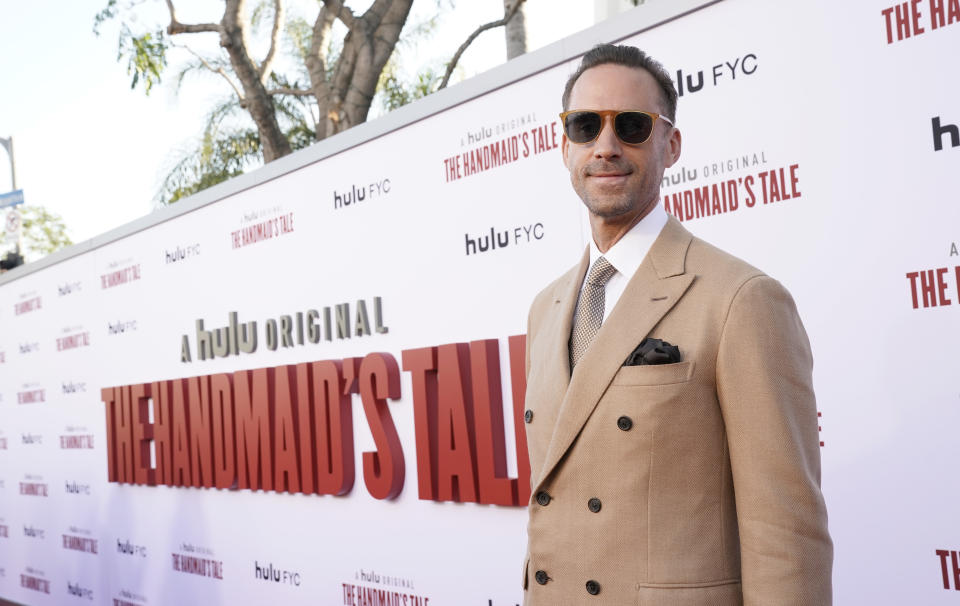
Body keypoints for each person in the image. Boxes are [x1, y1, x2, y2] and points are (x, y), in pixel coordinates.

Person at [521, 44, 832, 605]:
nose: (607, 146)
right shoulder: (544, 310)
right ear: (564, 145)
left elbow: (785, 533)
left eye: (633, 126)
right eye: (586, 126)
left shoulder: (742, 299)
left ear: (672, 143)